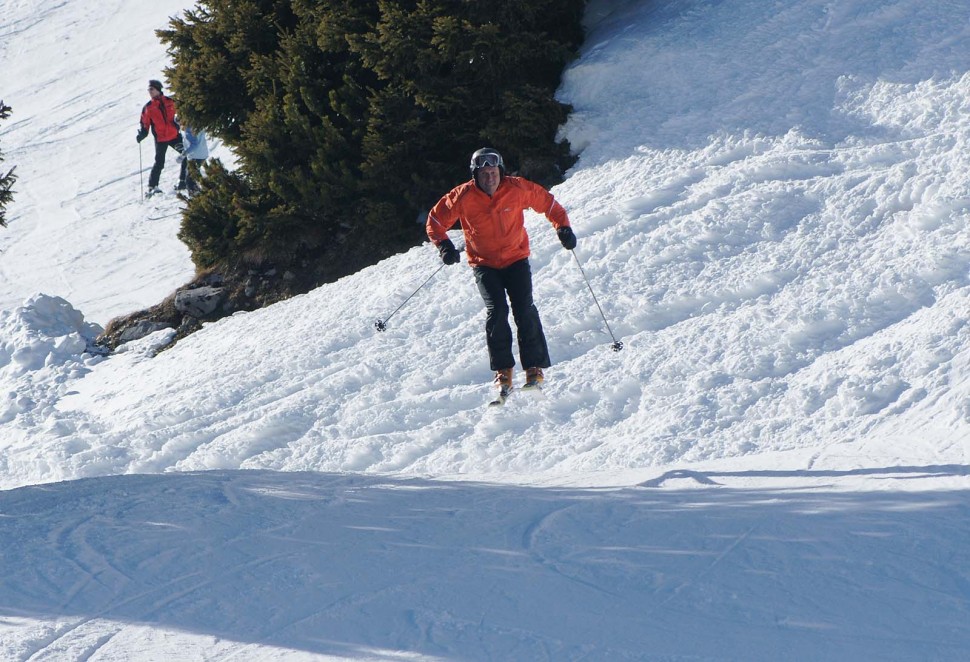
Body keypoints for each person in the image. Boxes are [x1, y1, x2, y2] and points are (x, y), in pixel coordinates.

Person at [426, 147, 577, 397]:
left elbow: (549, 204)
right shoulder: (462, 196)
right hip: (484, 264)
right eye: (484, 173)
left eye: (493, 172)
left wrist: (563, 228)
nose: (490, 178)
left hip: (516, 259)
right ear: (475, 175)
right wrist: (444, 246)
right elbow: (435, 221)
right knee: (497, 312)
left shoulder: (516, 189)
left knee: (524, 309)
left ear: (501, 171)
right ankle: (503, 371)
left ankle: (534, 367)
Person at [136, 79, 183, 198]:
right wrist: (142, 134)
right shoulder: (149, 107)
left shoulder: (170, 101)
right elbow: (145, 123)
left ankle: (183, 181)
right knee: (159, 162)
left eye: (151, 89)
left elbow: (180, 113)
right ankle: (152, 187)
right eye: (149, 90)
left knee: (187, 155)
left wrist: (180, 124)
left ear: (158, 89)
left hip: (174, 135)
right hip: (161, 138)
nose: (150, 92)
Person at [176, 124, 209, 196]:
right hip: (202, 153)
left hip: (195, 156)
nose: (180, 127)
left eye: (179, 124)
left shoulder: (188, 129)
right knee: (195, 175)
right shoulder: (197, 125)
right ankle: (204, 191)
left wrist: (183, 154)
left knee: (189, 179)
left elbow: (194, 144)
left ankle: (196, 196)